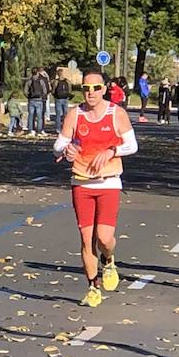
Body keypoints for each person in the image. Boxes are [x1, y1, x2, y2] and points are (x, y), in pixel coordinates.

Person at [54, 66, 138, 307]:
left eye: (95, 88)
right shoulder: (74, 114)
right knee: (85, 238)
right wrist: (66, 150)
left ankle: (109, 260)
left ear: (104, 90)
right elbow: (58, 145)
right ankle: (92, 285)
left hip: (109, 182)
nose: (90, 93)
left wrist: (112, 150)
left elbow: (132, 145)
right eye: (85, 88)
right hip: (81, 182)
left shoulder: (116, 113)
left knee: (104, 237)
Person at [26, 66, 50, 135]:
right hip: (39, 100)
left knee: (31, 115)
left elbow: (25, 91)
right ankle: (39, 130)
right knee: (39, 116)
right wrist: (42, 96)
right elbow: (45, 90)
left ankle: (31, 130)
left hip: (31, 100)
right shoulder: (41, 81)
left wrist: (28, 96)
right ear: (37, 73)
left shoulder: (29, 81)